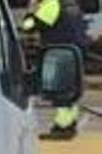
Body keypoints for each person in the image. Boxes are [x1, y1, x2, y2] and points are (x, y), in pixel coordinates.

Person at [23, 0, 90, 139]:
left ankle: (63, 126)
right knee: (69, 87)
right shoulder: (71, 4)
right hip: (75, 50)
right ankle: (69, 122)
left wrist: (30, 12)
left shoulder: (51, 4)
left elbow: (29, 26)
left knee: (59, 87)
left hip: (60, 51)